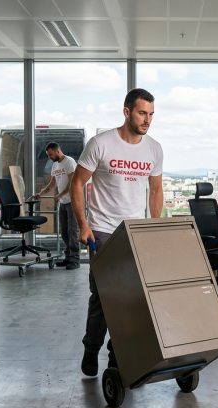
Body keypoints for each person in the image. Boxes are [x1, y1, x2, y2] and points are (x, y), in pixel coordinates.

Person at [69, 88, 164, 377]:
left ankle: (116, 355)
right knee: (104, 295)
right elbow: (77, 184)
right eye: (141, 113)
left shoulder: (154, 149)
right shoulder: (101, 143)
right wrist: (83, 225)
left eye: (150, 114)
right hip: (103, 230)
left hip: (134, 231)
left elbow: (156, 190)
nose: (147, 120)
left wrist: (153, 226)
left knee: (131, 297)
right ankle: (91, 348)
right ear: (127, 112)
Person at [34, 142, 79, 270]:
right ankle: (68, 258)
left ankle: (75, 260)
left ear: (58, 151)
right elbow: (53, 184)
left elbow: (73, 183)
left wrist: (60, 195)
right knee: (64, 232)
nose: (49, 157)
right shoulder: (55, 165)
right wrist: (41, 193)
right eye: (48, 155)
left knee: (72, 232)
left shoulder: (69, 162)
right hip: (63, 203)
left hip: (72, 201)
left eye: (50, 154)